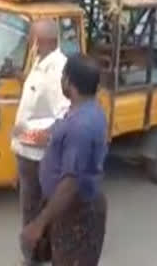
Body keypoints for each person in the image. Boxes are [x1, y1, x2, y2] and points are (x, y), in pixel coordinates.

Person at [21, 54, 108, 266]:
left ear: (69, 82)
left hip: (78, 214)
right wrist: (42, 134)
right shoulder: (85, 110)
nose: (61, 80)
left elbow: (70, 183)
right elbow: (61, 129)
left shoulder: (80, 127)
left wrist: (39, 224)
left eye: (63, 75)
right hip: (71, 210)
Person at [12, 19, 69, 266]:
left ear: (41, 41)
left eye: (31, 37)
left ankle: (35, 257)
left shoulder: (57, 71)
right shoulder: (41, 61)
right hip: (27, 152)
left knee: (35, 208)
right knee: (31, 205)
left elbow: (64, 114)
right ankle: (37, 253)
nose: (28, 42)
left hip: (39, 156)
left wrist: (37, 137)